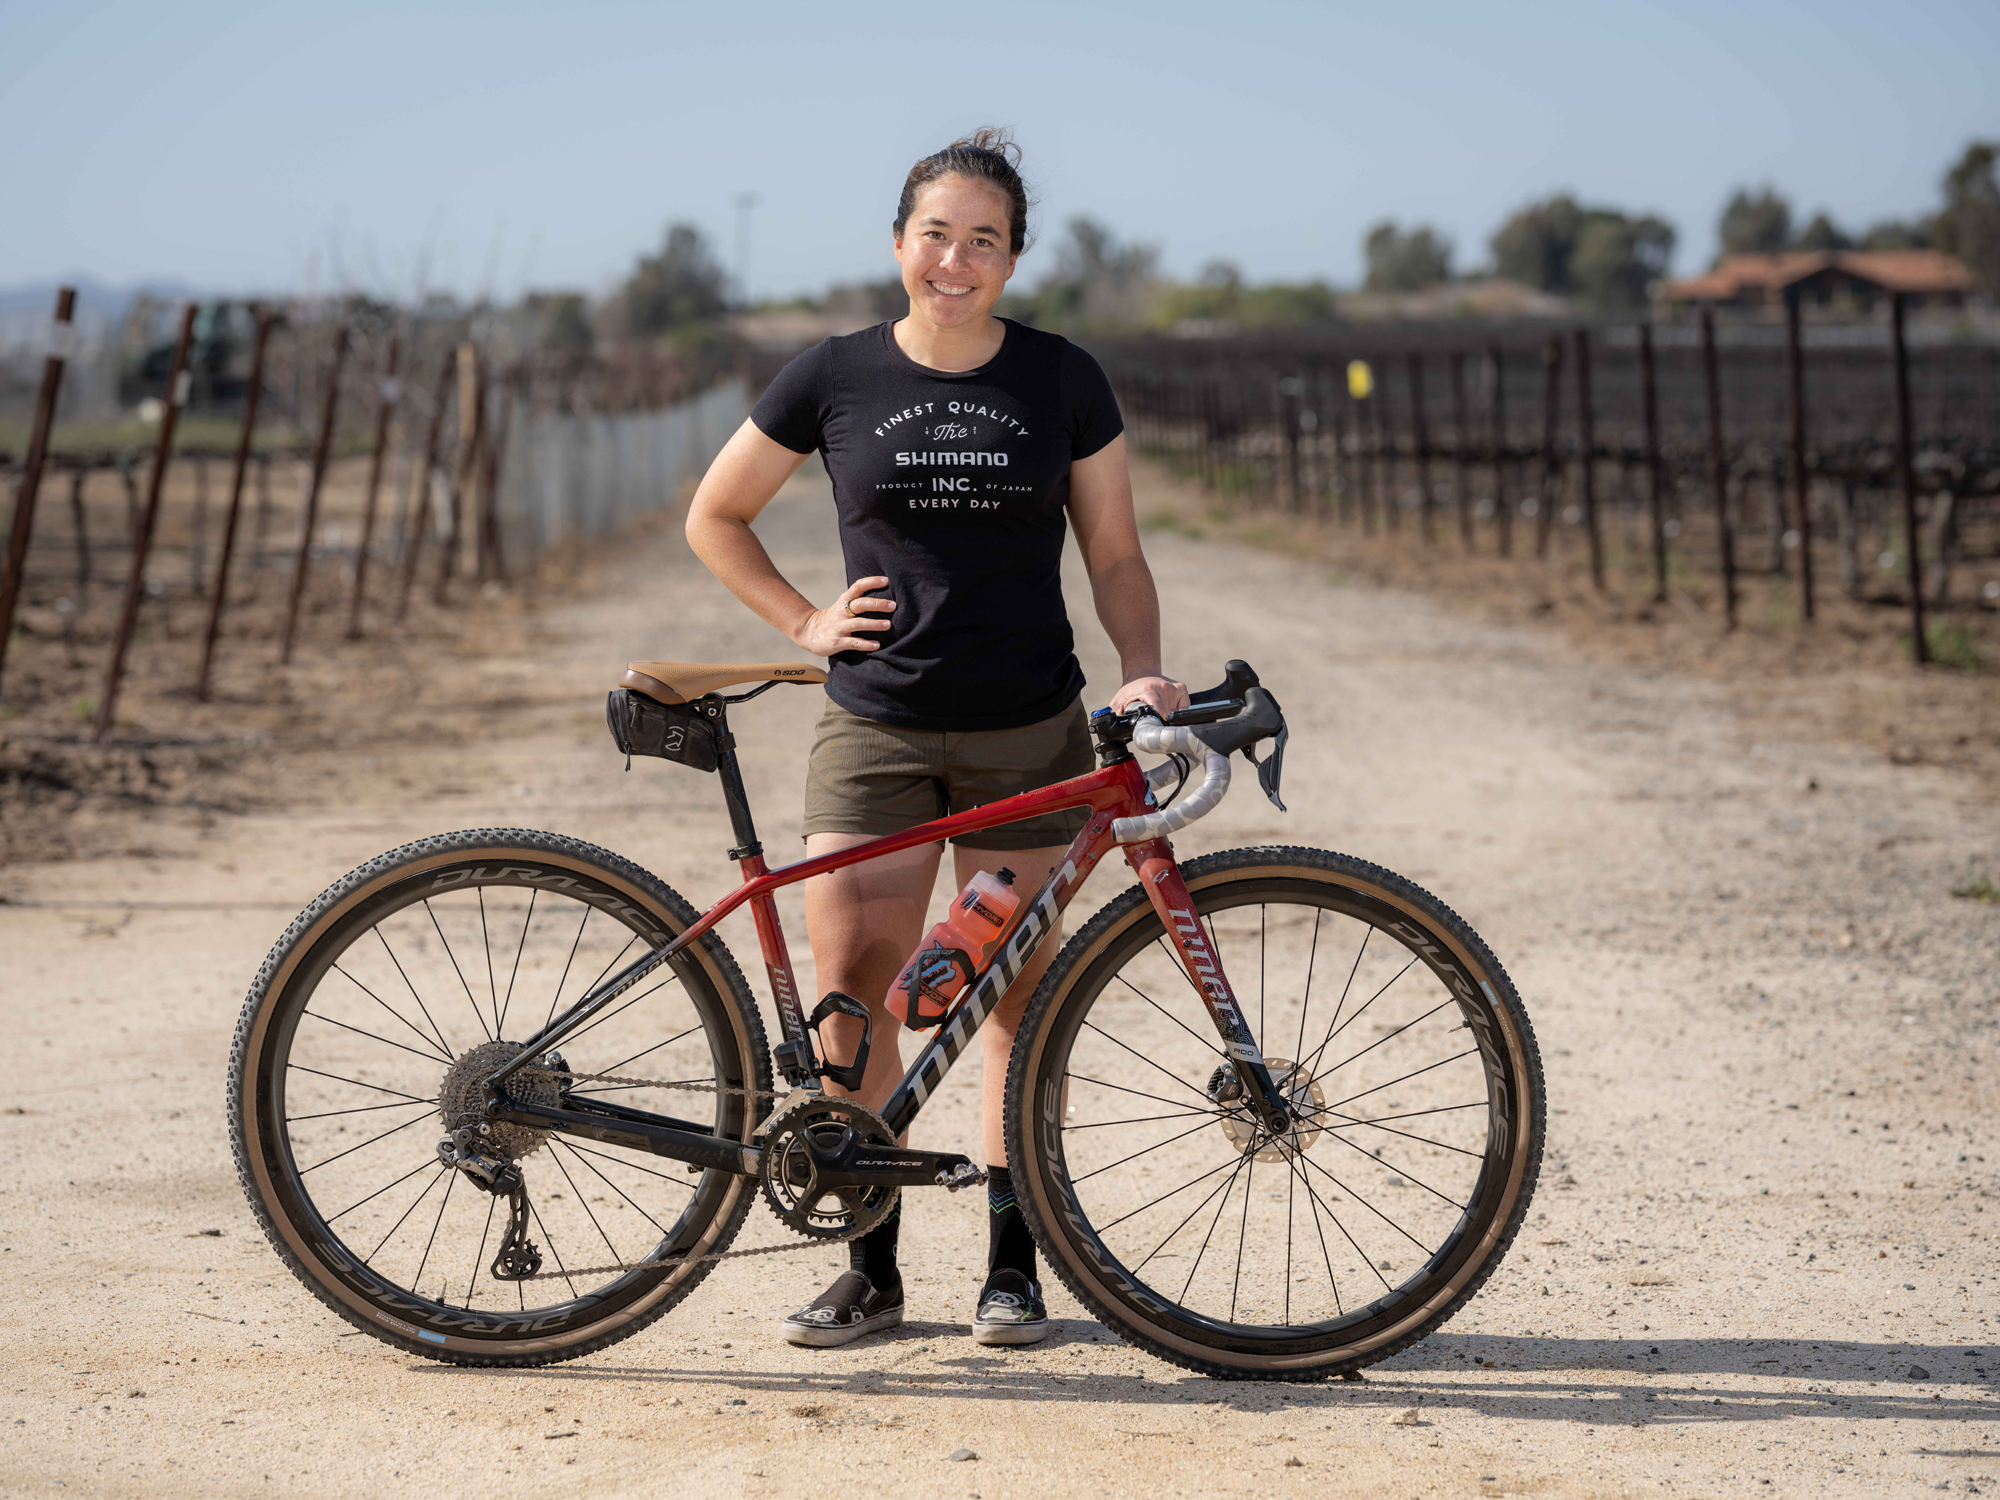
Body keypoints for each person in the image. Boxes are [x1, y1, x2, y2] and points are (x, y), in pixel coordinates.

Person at [685, 128, 1187, 1349]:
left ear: (1012, 259)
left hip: (1031, 735)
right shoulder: (833, 375)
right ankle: (872, 1268)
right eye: (935, 234)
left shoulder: (1062, 380)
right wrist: (806, 618)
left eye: (983, 240)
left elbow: (1113, 554)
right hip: (875, 731)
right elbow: (716, 514)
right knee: (858, 995)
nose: (954, 260)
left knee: (1009, 998)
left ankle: (1011, 1267)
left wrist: (1142, 677)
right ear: (896, 242)